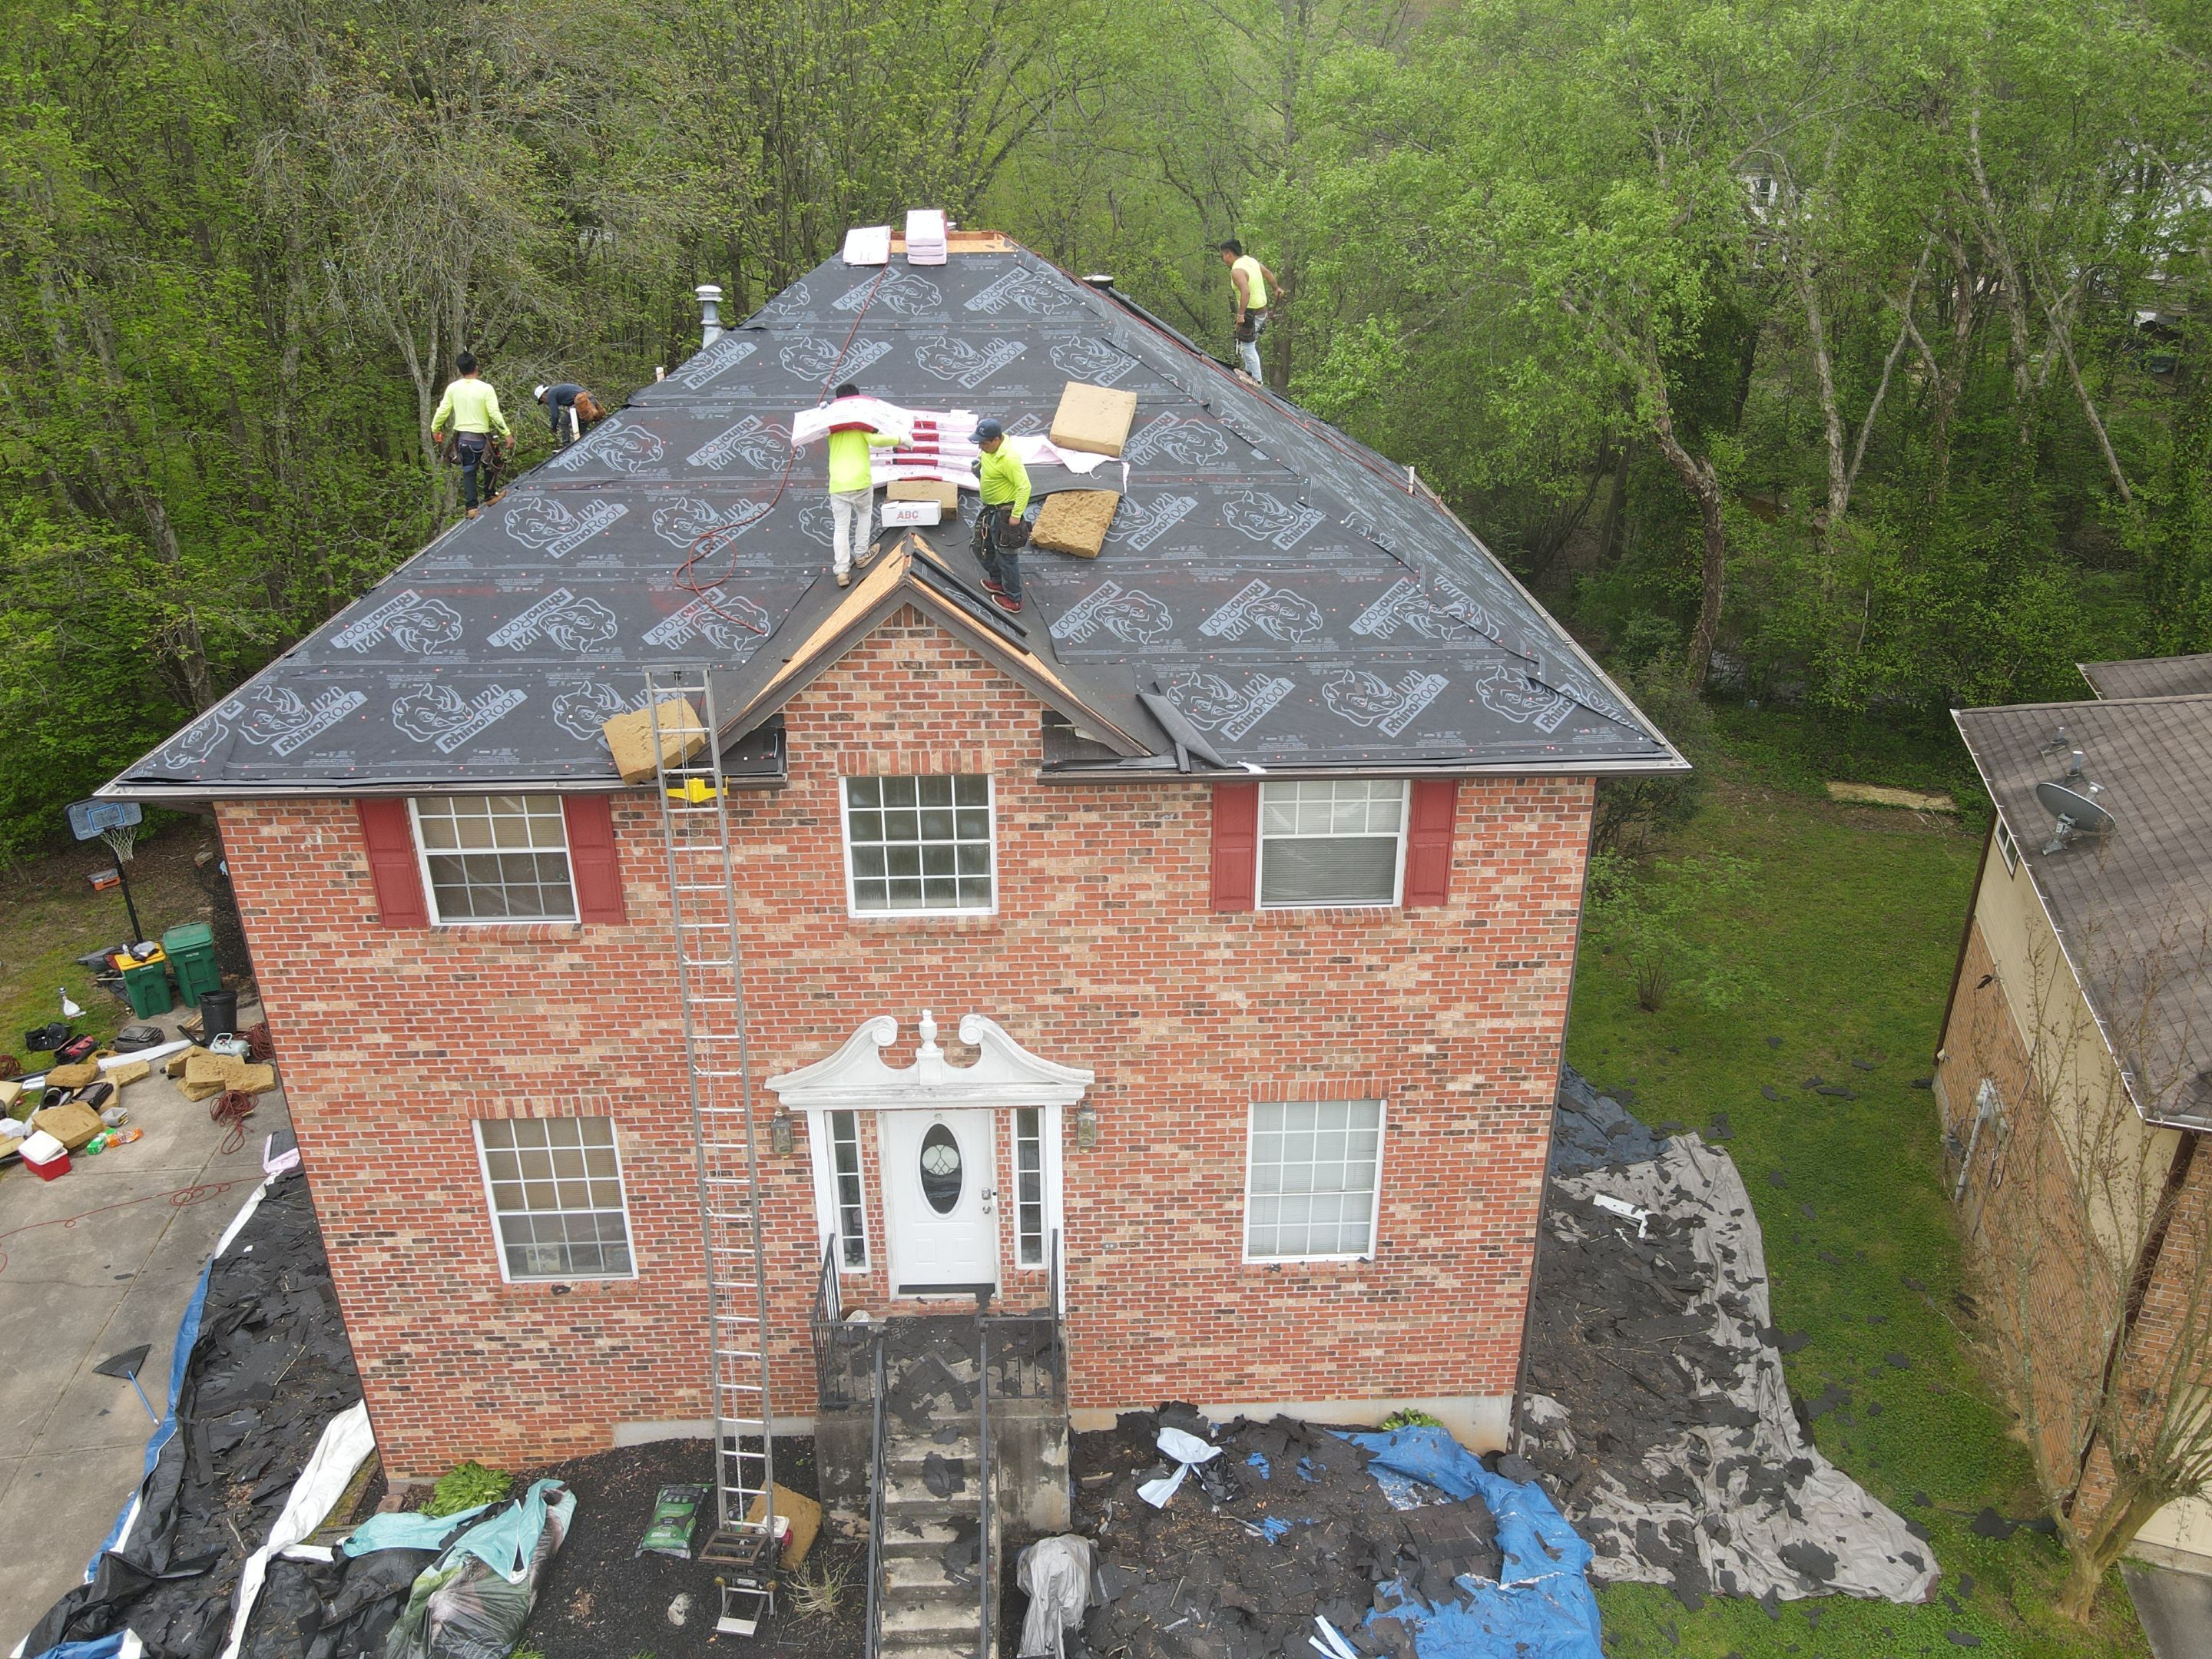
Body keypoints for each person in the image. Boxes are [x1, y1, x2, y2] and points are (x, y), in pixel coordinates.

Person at [825, 382, 899, 588]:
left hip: (838, 483)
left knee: (841, 527)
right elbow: (877, 441)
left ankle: (841, 571)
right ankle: (861, 554)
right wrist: (903, 439)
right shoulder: (860, 423)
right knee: (864, 514)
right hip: (860, 480)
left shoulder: (830, 426)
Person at [430, 353, 512, 518]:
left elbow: (443, 410)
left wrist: (435, 428)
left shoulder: (453, 388)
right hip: (481, 438)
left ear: (460, 370)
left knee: (469, 471)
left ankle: (471, 508)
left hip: (463, 439)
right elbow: (494, 413)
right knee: (493, 464)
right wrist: (507, 433)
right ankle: (490, 496)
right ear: (476, 367)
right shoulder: (485, 388)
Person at [972, 418, 1030, 615]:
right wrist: (979, 471)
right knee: (983, 546)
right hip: (991, 509)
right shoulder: (989, 451)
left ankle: (1014, 599)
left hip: (1005, 513)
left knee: (1007, 556)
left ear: (996, 440)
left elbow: (1025, 487)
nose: (980, 446)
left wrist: (1016, 516)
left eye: (984, 442)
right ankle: (998, 582)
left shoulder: (1010, 458)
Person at [1218, 239, 1281, 382]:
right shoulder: (1251, 261)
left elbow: (1246, 292)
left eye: (1223, 255)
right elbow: (1268, 273)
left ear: (1228, 254)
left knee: (1247, 346)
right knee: (1245, 342)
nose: (1223, 259)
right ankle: (1249, 372)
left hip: (1251, 313)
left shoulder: (1237, 270)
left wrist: (1240, 315)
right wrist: (1276, 288)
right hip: (1261, 311)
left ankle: (1257, 380)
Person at [535, 382, 589, 449]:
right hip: (589, 400)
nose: (545, 403)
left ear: (543, 396)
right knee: (581, 430)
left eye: (542, 401)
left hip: (581, 402)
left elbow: (555, 415)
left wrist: (553, 428)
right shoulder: (557, 391)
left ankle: (566, 446)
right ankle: (584, 443)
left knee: (563, 422)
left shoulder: (550, 394)